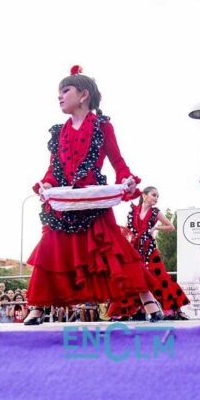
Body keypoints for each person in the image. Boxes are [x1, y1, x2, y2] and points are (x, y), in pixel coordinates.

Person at [24, 66, 162, 325]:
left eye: (66, 91)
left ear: (84, 95)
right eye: (59, 92)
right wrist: (44, 185)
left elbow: (117, 161)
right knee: (49, 250)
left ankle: (148, 300)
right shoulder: (58, 131)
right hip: (64, 206)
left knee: (115, 251)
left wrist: (127, 180)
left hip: (94, 202)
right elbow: (53, 170)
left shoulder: (102, 126)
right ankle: (38, 306)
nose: (60, 97)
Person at [108, 186, 190, 320]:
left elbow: (171, 226)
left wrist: (155, 227)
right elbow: (127, 230)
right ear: (144, 196)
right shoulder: (132, 211)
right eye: (154, 195)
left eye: (158, 196)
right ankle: (125, 311)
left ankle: (173, 309)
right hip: (134, 251)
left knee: (161, 277)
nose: (156, 198)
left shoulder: (155, 212)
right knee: (130, 279)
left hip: (150, 250)